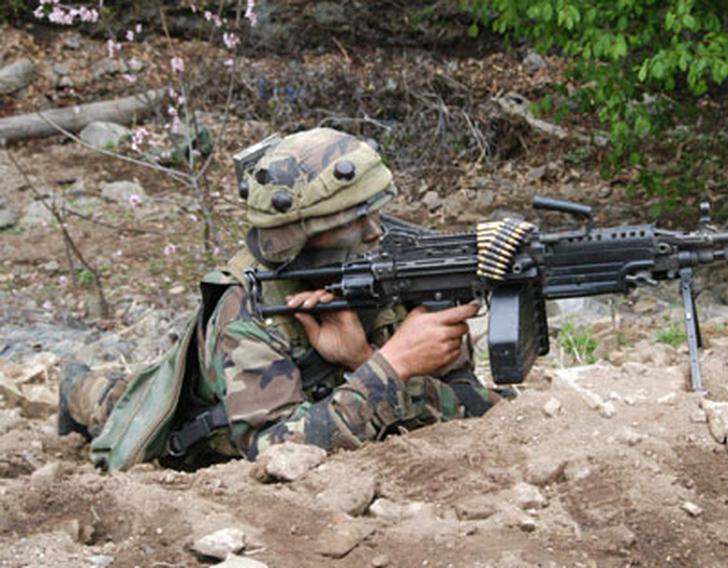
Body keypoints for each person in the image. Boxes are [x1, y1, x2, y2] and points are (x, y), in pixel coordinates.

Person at [59, 127, 500, 471]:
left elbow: (471, 405)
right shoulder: (247, 307)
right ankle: (74, 384)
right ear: (303, 235)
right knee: (120, 400)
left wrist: (363, 359)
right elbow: (273, 451)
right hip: (207, 426)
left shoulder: (378, 262)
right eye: (353, 222)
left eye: (374, 211)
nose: (376, 233)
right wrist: (392, 367)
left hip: (316, 397)